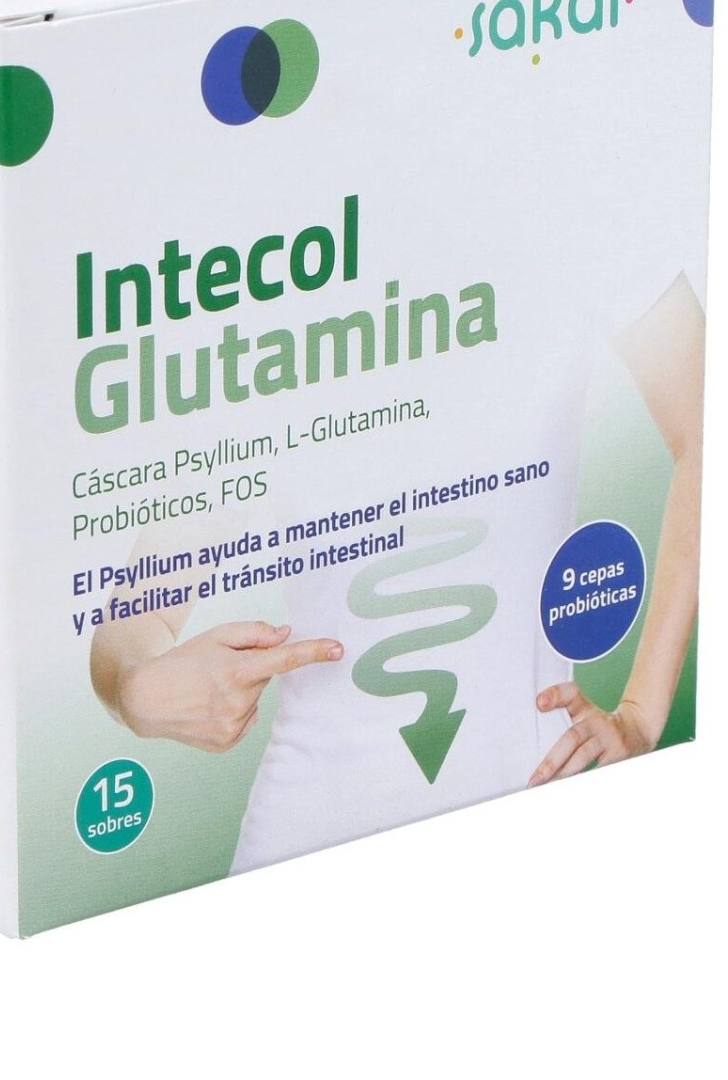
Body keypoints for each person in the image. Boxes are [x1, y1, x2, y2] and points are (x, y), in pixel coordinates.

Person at [90, 273, 704, 873]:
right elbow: (137, 617)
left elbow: (705, 431)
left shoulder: (571, 217)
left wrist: (643, 715)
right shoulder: (259, 280)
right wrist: (135, 691)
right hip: (304, 837)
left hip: (526, 802)